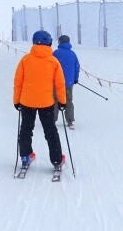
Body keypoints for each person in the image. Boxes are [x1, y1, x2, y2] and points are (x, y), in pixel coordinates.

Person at [13, 30, 67, 170]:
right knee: (50, 131)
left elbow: (18, 81)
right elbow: (60, 84)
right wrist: (62, 101)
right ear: (49, 42)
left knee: (26, 129)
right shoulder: (53, 61)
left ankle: (26, 156)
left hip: (27, 101)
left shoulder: (25, 60)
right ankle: (56, 160)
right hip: (46, 102)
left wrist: (16, 100)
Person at [52, 34, 80, 128]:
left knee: (55, 100)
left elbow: (51, 66)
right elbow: (77, 67)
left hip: (56, 82)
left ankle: (52, 119)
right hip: (68, 82)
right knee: (68, 100)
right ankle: (70, 120)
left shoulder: (55, 53)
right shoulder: (72, 54)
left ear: (59, 42)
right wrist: (75, 79)